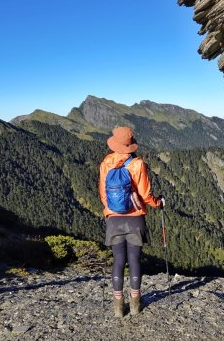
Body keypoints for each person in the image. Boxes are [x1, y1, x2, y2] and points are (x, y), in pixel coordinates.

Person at [99, 126, 164, 317]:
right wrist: (158, 203)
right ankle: (135, 304)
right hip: (135, 219)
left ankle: (118, 307)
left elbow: (103, 193)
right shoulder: (137, 164)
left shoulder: (106, 163)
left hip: (114, 220)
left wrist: (110, 210)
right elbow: (145, 195)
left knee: (119, 260)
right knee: (134, 260)